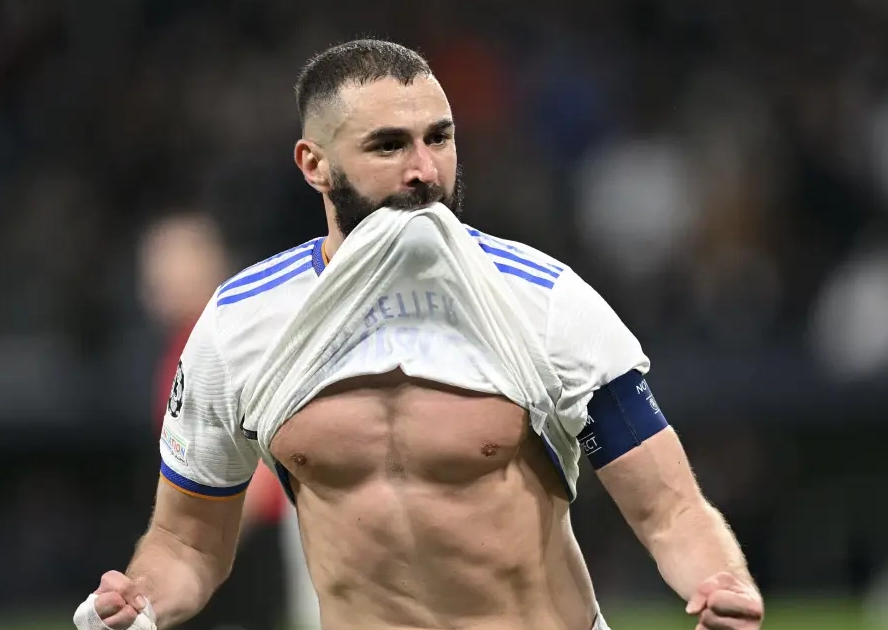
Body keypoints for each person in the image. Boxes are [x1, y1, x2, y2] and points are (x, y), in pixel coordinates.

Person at [74, 39, 763, 630]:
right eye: (389, 145)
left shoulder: (545, 302)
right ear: (314, 164)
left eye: (439, 137)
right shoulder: (239, 325)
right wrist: (142, 598)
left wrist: (720, 581)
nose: (425, 171)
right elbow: (188, 543)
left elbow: (671, 510)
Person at [137, 213, 321, 630]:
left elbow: (268, 452)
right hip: (238, 531)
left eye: (174, 263)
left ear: (212, 264)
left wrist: (198, 544)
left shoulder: (228, 339)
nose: (158, 280)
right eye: (153, 266)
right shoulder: (181, 346)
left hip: (266, 530)